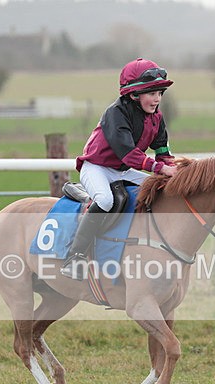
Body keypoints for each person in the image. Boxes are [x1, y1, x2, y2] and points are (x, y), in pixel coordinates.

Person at [60, 58, 177, 280]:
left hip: (121, 170)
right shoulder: (116, 113)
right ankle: (74, 257)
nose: (157, 99)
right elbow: (130, 154)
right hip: (96, 167)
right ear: (134, 94)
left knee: (160, 188)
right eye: (152, 93)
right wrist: (160, 167)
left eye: (160, 93)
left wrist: (171, 167)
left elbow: (162, 150)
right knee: (105, 200)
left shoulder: (157, 117)